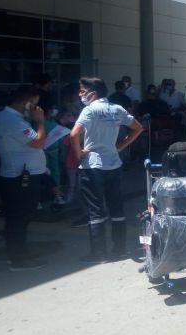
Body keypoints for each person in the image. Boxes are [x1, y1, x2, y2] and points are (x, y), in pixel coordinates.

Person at [69, 77, 143, 263]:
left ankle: (99, 253)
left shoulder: (89, 110)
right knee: (117, 208)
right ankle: (120, 249)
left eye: (82, 91)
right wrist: (120, 146)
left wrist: (79, 154)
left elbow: (74, 134)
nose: (80, 94)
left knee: (95, 210)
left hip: (93, 165)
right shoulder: (117, 109)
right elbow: (138, 128)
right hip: (113, 164)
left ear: (93, 93)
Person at [0, 86, 47, 271]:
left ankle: (17, 253)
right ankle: (18, 258)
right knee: (20, 217)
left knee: (16, 217)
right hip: (21, 177)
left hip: (15, 174)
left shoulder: (2, 116)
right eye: (35, 105)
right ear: (27, 103)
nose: (36, 109)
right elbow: (39, 142)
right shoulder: (13, 121)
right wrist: (40, 122)